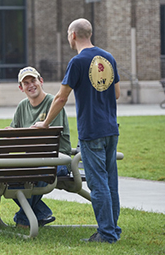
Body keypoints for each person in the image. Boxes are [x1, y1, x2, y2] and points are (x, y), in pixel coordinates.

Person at [33, 18, 121, 243]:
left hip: (92, 130)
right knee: (111, 181)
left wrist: (45, 124)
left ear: (72, 35)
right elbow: (117, 93)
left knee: (98, 182)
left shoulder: (78, 62)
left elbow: (61, 97)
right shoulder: (108, 58)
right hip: (111, 128)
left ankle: (107, 234)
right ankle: (113, 229)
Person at [8, 66, 71, 228]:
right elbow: (13, 135)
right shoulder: (22, 106)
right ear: (21, 88)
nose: (31, 85)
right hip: (32, 161)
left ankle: (24, 218)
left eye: (33, 80)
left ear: (41, 81)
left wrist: (23, 135)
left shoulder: (52, 102)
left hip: (57, 160)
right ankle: (40, 213)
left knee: (39, 170)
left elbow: (51, 140)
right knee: (5, 175)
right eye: (26, 83)